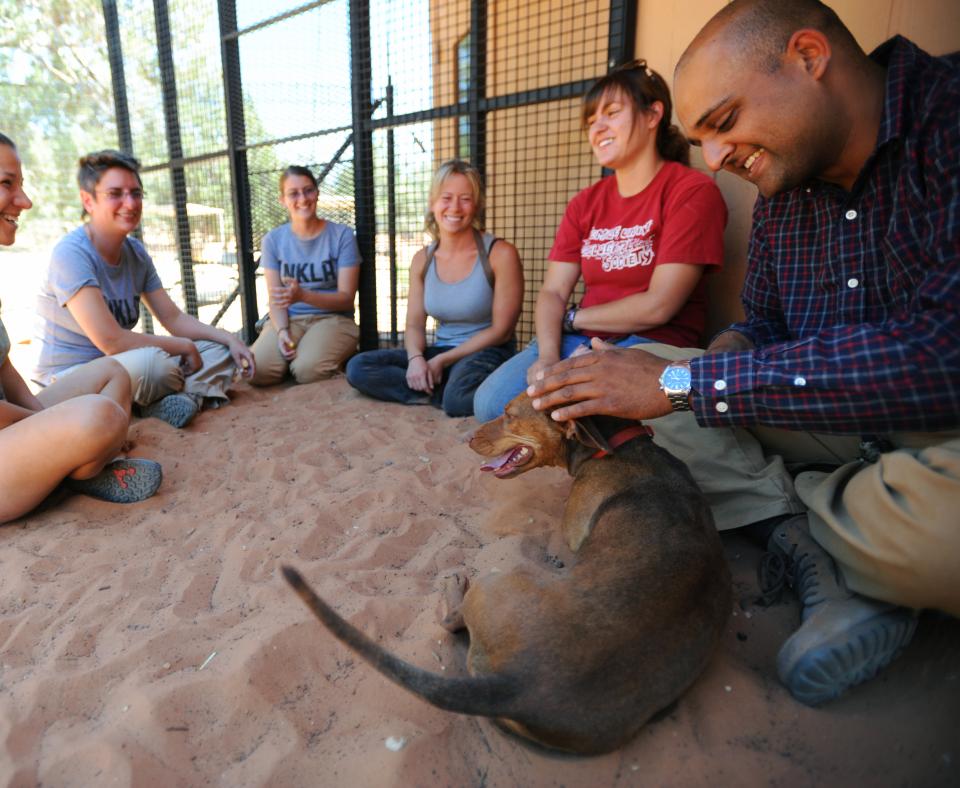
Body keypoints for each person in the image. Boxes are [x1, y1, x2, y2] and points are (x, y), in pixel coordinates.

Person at [526, 0, 960, 707]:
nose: (719, 157)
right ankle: (822, 536)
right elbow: (760, 322)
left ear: (810, 58)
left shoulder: (946, 121)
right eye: (703, 141)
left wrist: (690, 382)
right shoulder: (783, 185)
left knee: (942, 535)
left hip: (933, 417)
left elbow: (943, 353)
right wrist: (701, 369)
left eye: (723, 124)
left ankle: (806, 518)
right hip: (820, 413)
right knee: (636, 399)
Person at [472, 60, 727, 423]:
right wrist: (547, 357)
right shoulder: (585, 202)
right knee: (490, 405)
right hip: (578, 339)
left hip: (650, 345)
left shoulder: (691, 191)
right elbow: (552, 293)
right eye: (591, 121)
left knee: (589, 411)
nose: (598, 128)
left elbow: (659, 306)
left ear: (653, 114)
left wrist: (574, 319)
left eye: (611, 113)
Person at [0, 133, 161, 522]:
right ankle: (81, 468)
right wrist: (51, 425)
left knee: (114, 374)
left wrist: (46, 421)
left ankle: (70, 466)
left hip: (10, 435)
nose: (25, 201)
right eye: (7, 184)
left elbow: (4, 369)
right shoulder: (73, 252)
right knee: (101, 415)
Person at [33, 150, 255, 429]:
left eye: (136, 193)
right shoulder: (72, 253)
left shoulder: (136, 253)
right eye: (115, 193)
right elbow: (110, 341)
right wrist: (183, 347)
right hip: (70, 377)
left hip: (123, 368)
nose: (130, 202)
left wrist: (229, 339)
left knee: (217, 349)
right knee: (155, 365)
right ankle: (175, 396)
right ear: (88, 200)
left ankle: (181, 401)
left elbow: (173, 318)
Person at [346, 159, 523, 417]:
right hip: (441, 350)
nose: (455, 207)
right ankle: (442, 387)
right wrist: (417, 359)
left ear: (476, 205)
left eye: (465, 198)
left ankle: (443, 391)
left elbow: (501, 331)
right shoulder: (422, 259)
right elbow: (415, 325)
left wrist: (440, 361)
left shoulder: (500, 253)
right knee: (359, 367)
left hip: (486, 352)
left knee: (457, 399)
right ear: (432, 202)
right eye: (446, 198)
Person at [249, 165, 361, 386]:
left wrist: (303, 296)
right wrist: (281, 331)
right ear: (283, 200)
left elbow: (346, 298)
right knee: (257, 370)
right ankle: (296, 351)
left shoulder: (342, 236)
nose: (303, 198)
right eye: (294, 193)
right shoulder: (273, 240)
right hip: (290, 320)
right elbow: (276, 298)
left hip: (333, 319)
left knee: (307, 371)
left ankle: (322, 355)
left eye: (308, 190)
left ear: (317, 193)